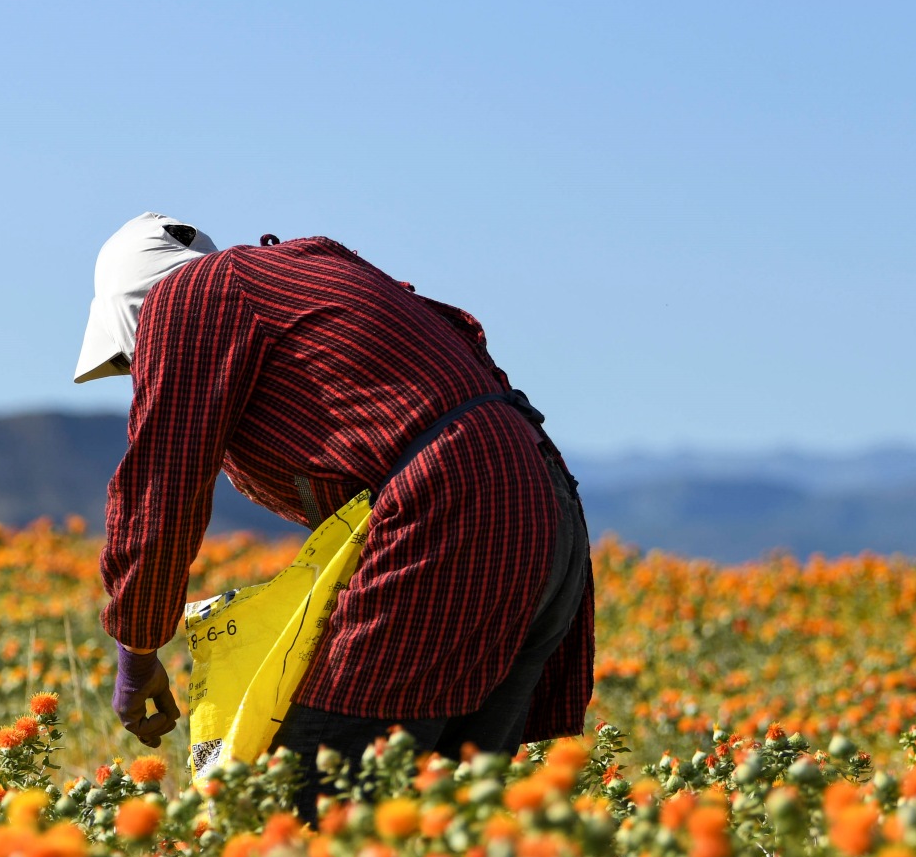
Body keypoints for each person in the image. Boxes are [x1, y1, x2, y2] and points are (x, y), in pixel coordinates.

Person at [74, 211, 591, 792]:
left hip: (451, 514)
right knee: (445, 808)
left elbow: (160, 488)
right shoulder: (299, 280)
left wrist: (138, 648)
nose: (139, 372)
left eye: (129, 358)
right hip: (543, 516)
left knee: (313, 801)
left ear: (138, 309)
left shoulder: (192, 295)